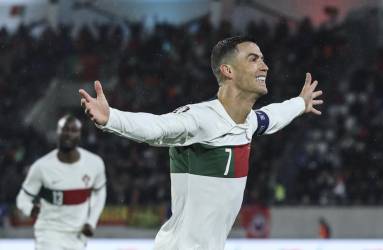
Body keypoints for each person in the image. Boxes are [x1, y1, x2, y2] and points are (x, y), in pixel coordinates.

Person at [79, 36, 323, 250]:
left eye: (263, 59)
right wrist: (111, 118)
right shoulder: (201, 119)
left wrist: (301, 103)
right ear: (228, 70)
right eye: (253, 59)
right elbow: (157, 128)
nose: (265, 66)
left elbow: (273, 116)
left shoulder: (247, 122)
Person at [16, 115, 107, 250]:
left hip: (77, 236)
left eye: (73, 130)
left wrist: (91, 222)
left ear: (80, 134)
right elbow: (22, 198)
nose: (68, 134)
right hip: (49, 233)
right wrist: (30, 209)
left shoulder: (95, 163)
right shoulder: (41, 167)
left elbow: (100, 193)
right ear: (57, 132)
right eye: (64, 129)